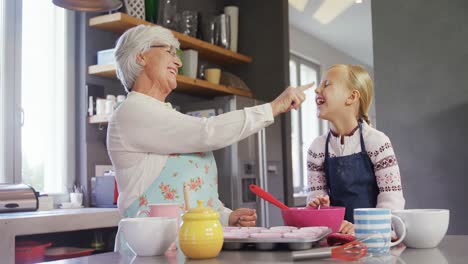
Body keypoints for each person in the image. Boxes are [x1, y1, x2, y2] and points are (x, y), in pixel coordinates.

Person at [107, 25, 313, 251]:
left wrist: (226, 217)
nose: (179, 62)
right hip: (150, 254)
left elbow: (198, 198)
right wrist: (272, 108)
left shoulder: (169, 118)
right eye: (170, 52)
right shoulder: (132, 112)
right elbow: (207, 132)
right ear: (141, 57)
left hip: (193, 249)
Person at [306, 64, 405, 234]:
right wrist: (320, 207)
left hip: (375, 237)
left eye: (326, 84)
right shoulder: (317, 148)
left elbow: (392, 200)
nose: (317, 89)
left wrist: (363, 229)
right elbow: (316, 199)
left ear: (351, 97)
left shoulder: (378, 142)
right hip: (337, 236)